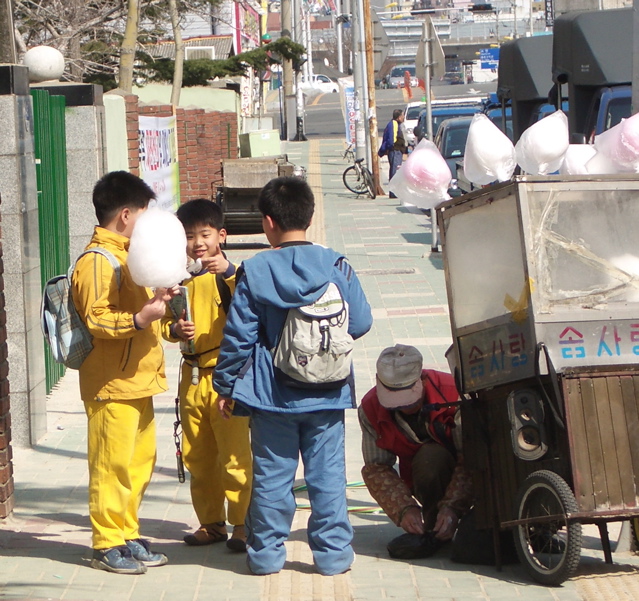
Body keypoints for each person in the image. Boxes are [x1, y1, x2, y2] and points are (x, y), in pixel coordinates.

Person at [213, 176, 373, 576]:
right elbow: (361, 321)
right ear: (310, 217)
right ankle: (333, 557)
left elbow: (239, 338)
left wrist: (225, 386)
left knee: (272, 479)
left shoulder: (255, 270)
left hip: (272, 396)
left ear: (268, 222)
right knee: (328, 477)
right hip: (329, 391)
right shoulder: (336, 264)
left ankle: (266, 558)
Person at [72, 171, 175, 575]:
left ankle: (127, 532)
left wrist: (161, 300)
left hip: (138, 380)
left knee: (138, 463)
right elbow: (97, 318)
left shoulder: (130, 257)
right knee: (110, 466)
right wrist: (139, 318)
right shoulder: (98, 261)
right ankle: (106, 542)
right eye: (145, 213)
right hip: (111, 384)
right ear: (126, 215)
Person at [163, 198, 252, 551]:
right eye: (189, 236)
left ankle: (243, 524)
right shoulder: (177, 279)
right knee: (198, 455)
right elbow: (163, 324)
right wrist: (174, 331)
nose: (198, 243)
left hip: (226, 378)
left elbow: (250, 308)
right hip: (191, 376)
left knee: (235, 457)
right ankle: (211, 523)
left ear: (221, 235)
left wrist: (228, 271)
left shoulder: (232, 276)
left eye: (205, 234)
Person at [358, 344, 473, 558]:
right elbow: (377, 468)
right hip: (419, 476)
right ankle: (435, 525)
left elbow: (470, 458)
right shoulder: (369, 408)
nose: (404, 407)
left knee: (432, 456)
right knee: (428, 461)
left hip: (469, 473)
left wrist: (452, 507)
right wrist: (403, 509)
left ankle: (449, 518)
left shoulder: (453, 392)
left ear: (422, 379)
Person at [378, 108, 407, 198]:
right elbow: (392, 140)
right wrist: (393, 147)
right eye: (402, 116)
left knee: (395, 170)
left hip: (396, 151)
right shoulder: (394, 124)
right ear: (398, 117)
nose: (403, 117)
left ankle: (394, 192)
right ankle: (394, 193)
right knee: (395, 171)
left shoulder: (395, 124)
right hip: (395, 151)